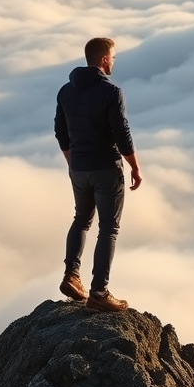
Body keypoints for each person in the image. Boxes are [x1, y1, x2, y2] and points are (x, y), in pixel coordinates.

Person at [54, 37, 142, 312]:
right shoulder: (111, 92)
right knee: (109, 229)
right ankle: (99, 293)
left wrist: (73, 161)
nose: (113, 61)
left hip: (79, 169)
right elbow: (122, 134)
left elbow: (60, 131)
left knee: (81, 219)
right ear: (104, 59)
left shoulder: (66, 91)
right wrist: (135, 167)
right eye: (113, 57)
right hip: (106, 168)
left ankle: (72, 275)